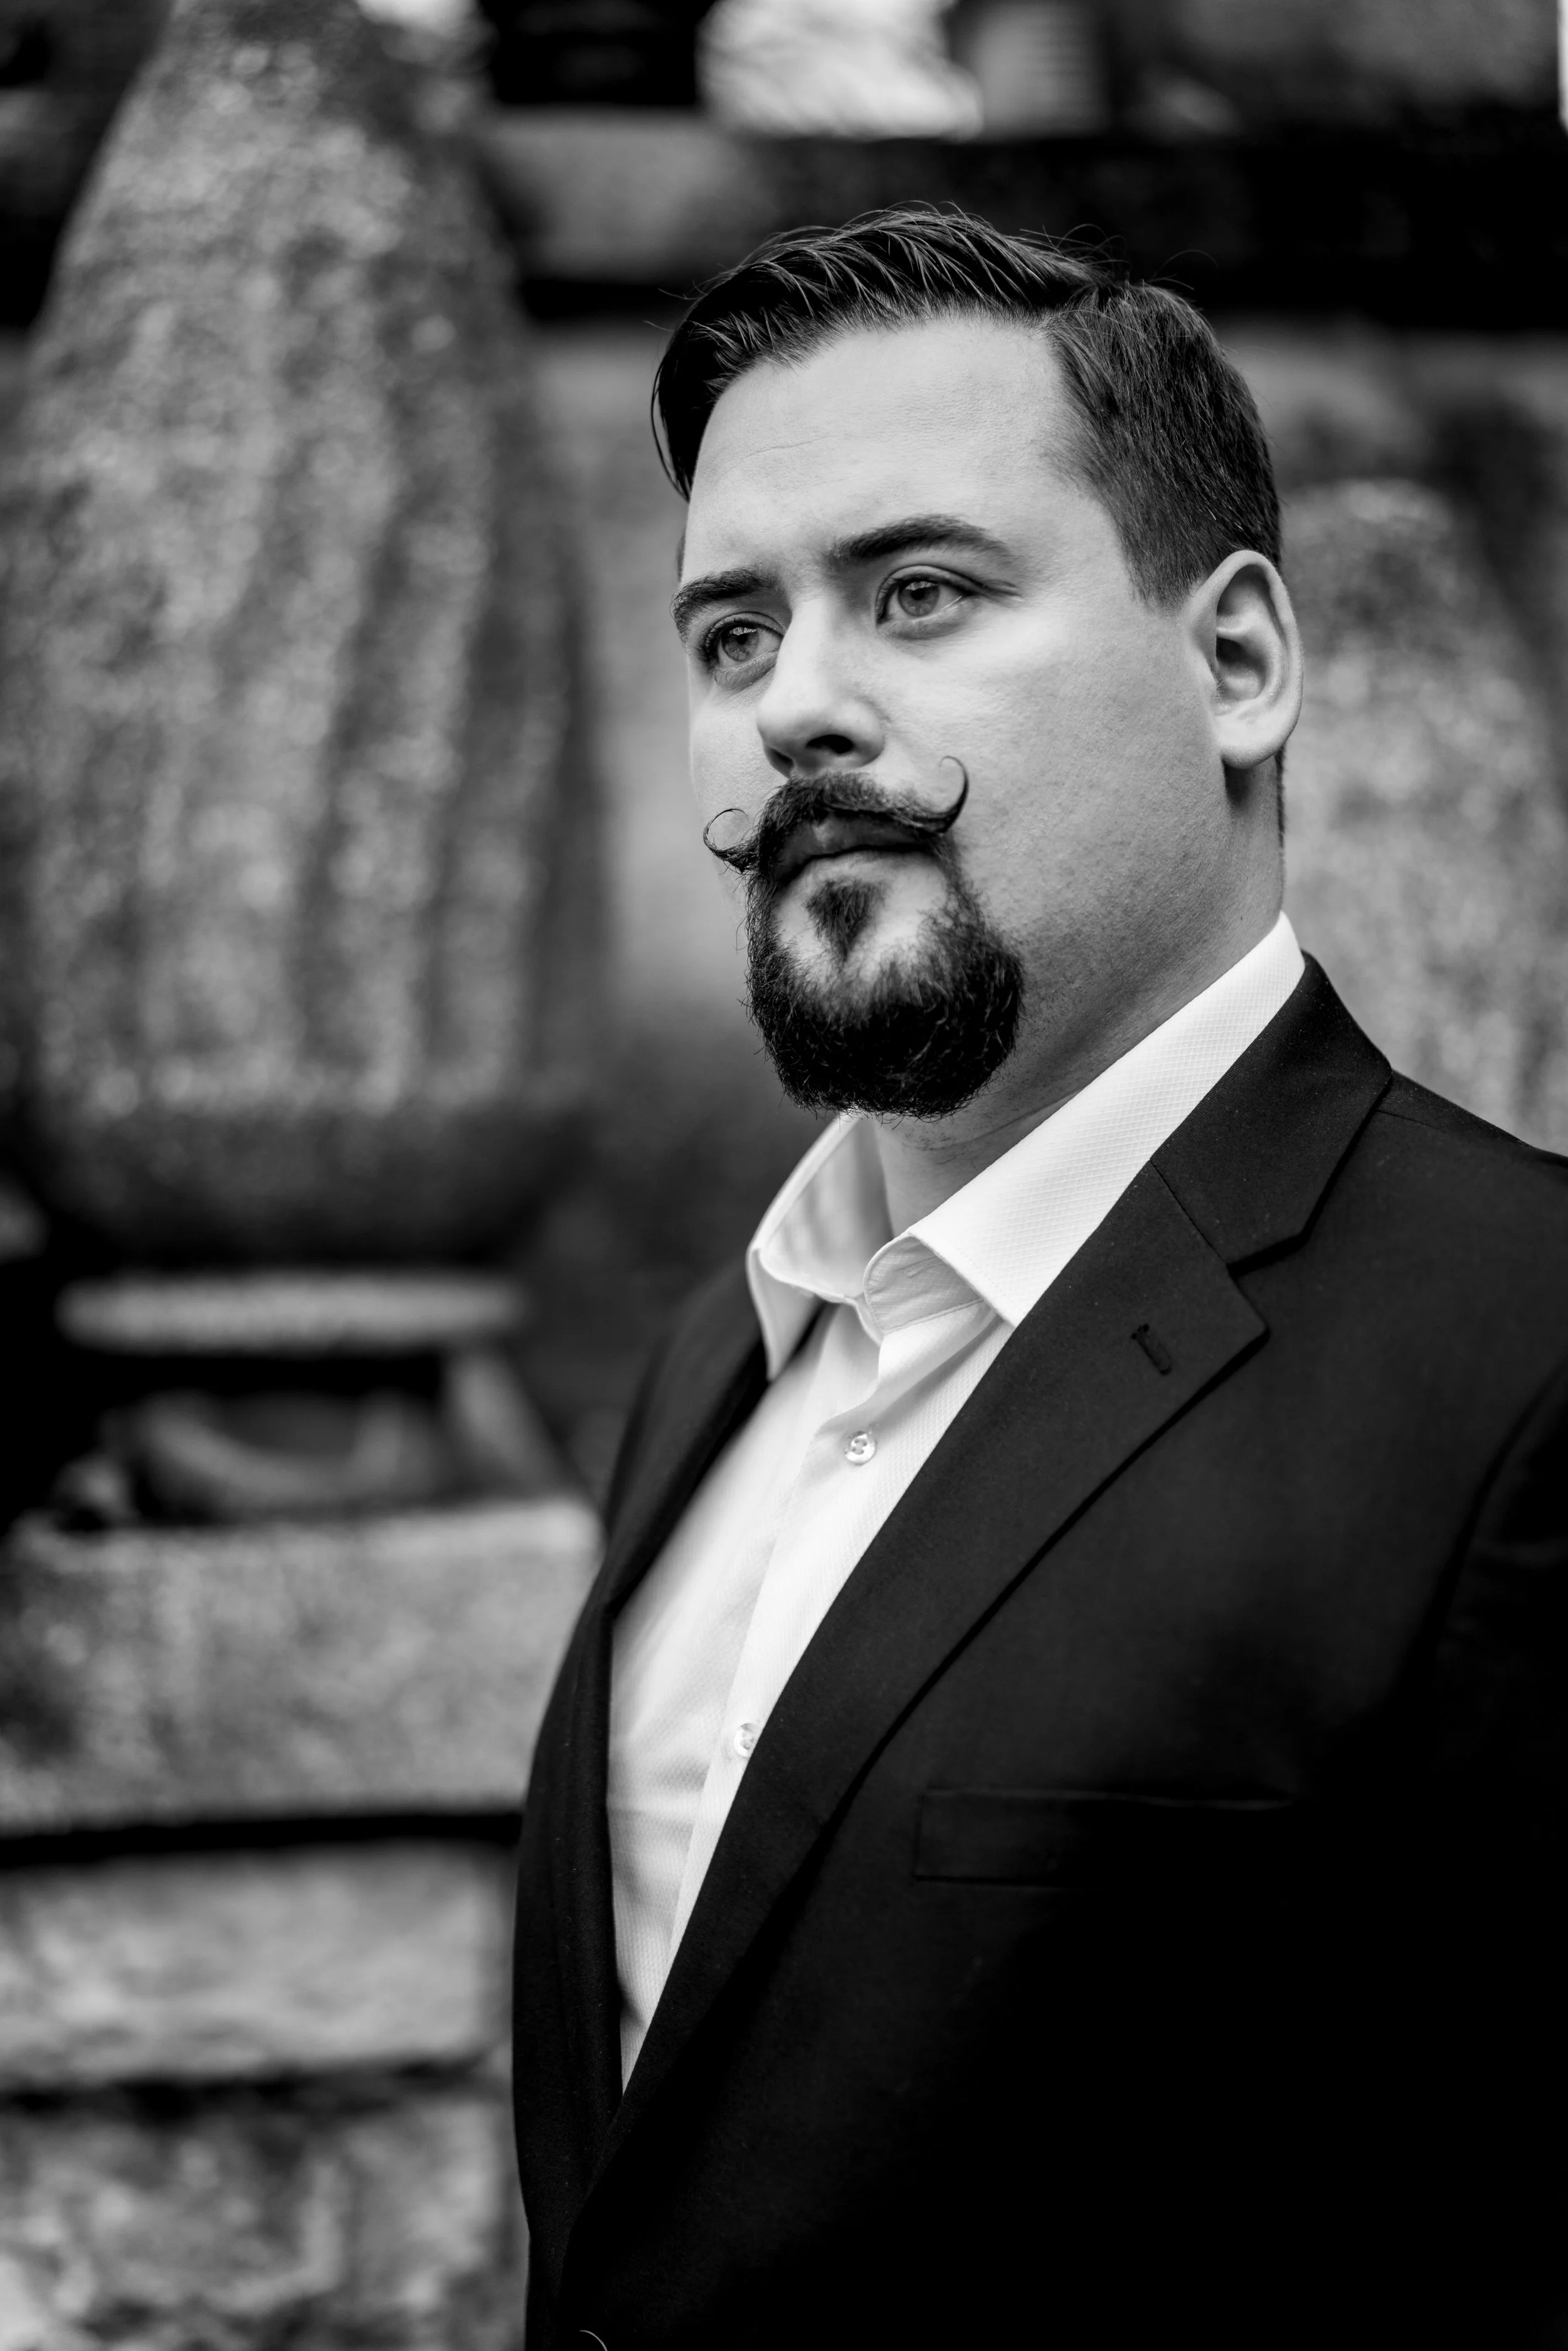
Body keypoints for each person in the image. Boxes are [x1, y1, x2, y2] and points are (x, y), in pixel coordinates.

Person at [511, 206, 1568, 2348]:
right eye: (731, 636)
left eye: (919, 593)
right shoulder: (724, 1355)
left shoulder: (1531, 1360)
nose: (798, 705)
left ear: (1238, 662)